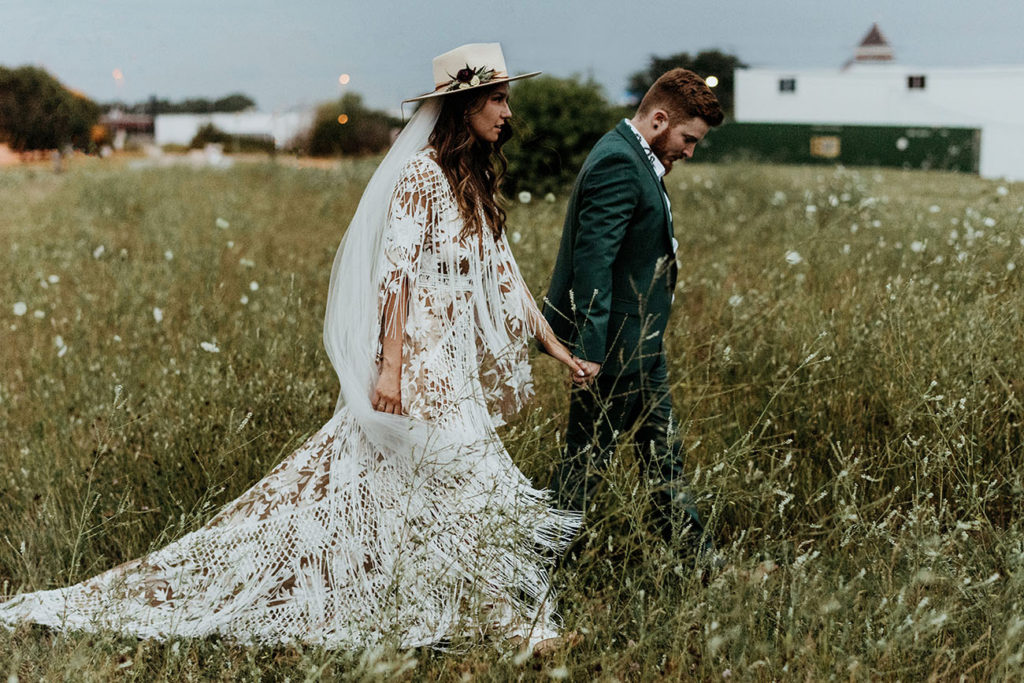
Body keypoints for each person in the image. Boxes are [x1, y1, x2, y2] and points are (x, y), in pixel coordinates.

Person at [0, 43, 584, 652]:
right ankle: (513, 626)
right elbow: (397, 276)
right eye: (496, 98)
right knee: (462, 485)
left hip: (454, 365)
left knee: (426, 492)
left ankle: (461, 606)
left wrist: (556, 348)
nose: (506, 112)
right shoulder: (421, 177)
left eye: (505, 99)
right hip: (421, 361)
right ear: (464, 107)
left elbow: (505, 275)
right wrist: (390, 370)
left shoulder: (475, 182)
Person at [542, 68, 724, 558]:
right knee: (584, 462)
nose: (689, 151)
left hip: (640, 338)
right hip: (614, 347)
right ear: (660, 119)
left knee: (664, 453)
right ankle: (533, 568)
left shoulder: (636, 157)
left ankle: (694, 557)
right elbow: (592, 262)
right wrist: (591, 349)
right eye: (688, 139)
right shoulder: (620, 162)